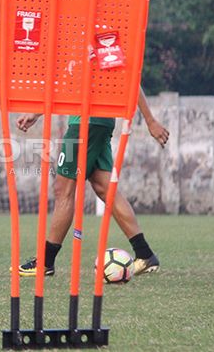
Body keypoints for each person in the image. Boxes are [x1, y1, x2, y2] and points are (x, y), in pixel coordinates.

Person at [14, 88, 168, 277]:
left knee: (63, 189)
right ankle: (145, 254)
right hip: (99, 121)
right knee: (104, 188)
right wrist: (37, 113)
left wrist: (150, 120)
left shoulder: (92, 57)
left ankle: (46, 262)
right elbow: (72, 88)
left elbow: (132, 82)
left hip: (86, 122)